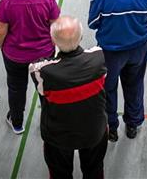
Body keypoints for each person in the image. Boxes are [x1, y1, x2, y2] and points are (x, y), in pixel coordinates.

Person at [30, 17, 108, 179]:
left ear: (53, 41)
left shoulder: (40, 70)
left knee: (60, 174)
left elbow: (42, 91)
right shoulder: (98, 57)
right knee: (94, 170)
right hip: (94, 131)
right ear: (80, 37)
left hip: (58, 136)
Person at [88, 0, 147, 142]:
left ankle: (111, 127)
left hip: (111, 53)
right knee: (134, 85)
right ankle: (132, 124)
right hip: (138, 48)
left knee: (108, 88)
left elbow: (93, 23)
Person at [0, 0, 60, 134]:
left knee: (16, 88)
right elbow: (56, 27)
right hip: (43, 55)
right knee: (45, 89)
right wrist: (50, 47)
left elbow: (0, 32)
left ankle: (17, 122)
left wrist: (2, 46)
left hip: (15, 55)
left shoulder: (6, 2)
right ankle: (49, 123)